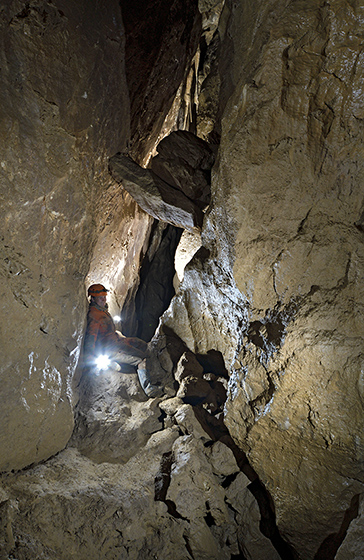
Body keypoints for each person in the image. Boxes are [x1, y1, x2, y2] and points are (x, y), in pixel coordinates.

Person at [83, 283, 163, 398]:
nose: (104, 300)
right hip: (110, 350)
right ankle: (148, 388)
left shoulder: (102, 311)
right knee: (141, 359)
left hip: (116, 341)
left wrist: (121, 337)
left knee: (141, 344)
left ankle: (120, 364)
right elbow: (91, 340)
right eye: (101, 298)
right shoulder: (95, 316)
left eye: (104, 297)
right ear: (93, 298)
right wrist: (91, 358)